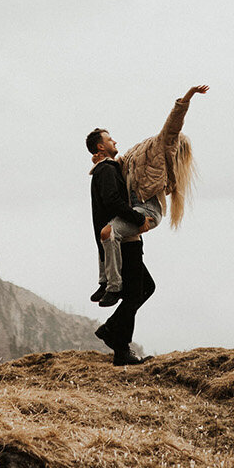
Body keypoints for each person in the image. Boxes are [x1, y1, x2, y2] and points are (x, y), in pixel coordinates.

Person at [86, 85, 208, 366]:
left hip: (133, 225)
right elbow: (172, 127)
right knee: (139, 289)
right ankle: (115, 336)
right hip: (134, 223)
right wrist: (186, 99)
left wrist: (104, 160)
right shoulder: (158, 146)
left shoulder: (130, 158)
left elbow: (118, 165)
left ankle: (117, 339)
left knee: (144, 288)